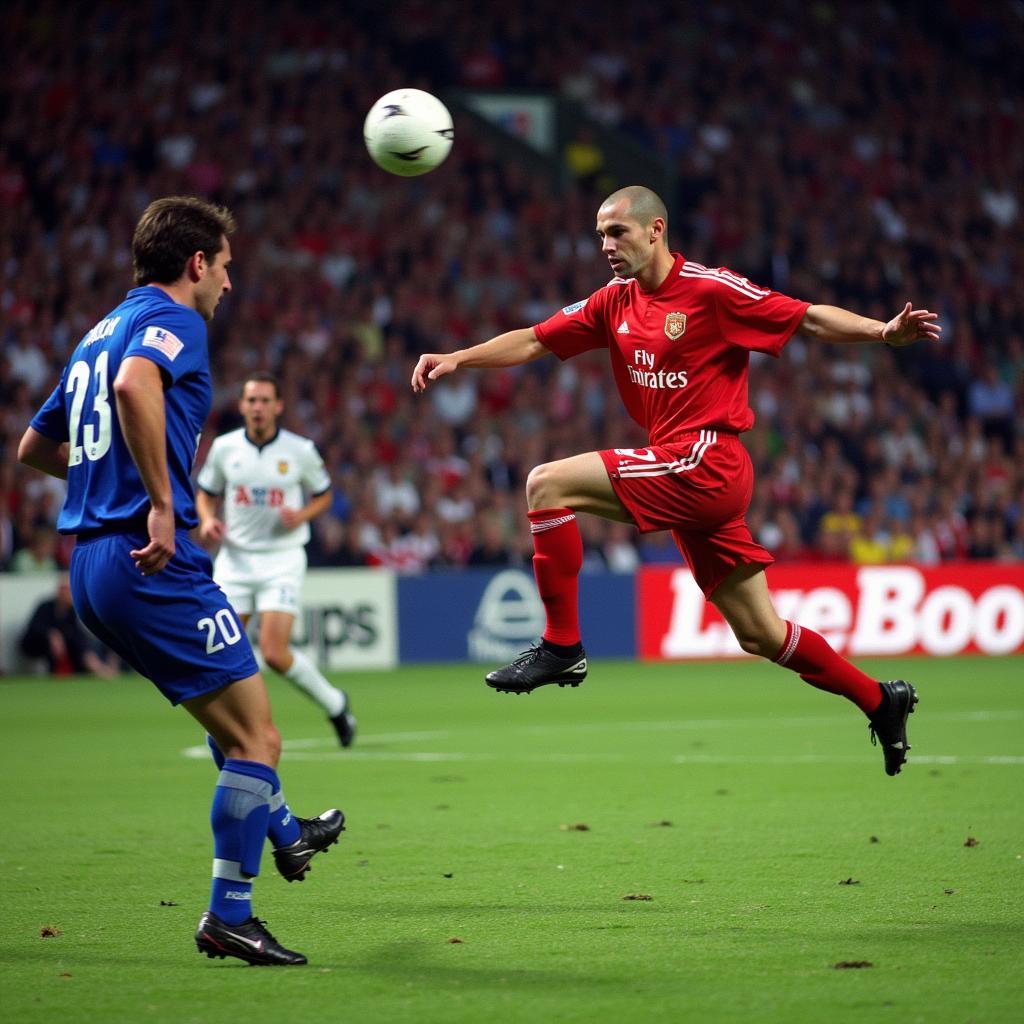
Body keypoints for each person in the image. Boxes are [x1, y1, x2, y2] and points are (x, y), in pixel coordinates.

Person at [412, 185, 942, 778]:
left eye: (619, 233)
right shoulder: (614, 301)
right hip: (682, 469)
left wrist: (881, 332)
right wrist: (459, 356)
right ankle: (880, 700)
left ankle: (563, 647)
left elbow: (807, 318)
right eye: (600, 235)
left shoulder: (714, 291)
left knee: (546, 485)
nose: (607, 246)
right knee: (762, 635)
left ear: (656, 230)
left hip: (708, 460)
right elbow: (535, 339)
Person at [18, 196, 344, 966]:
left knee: (233, 728)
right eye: (226, 267)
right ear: (197, 263)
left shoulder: (96, 331)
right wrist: (163, 503)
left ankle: (289, 837)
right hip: (147, 555)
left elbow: (35, 446)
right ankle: (229, 913)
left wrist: (104, 476)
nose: (229, 284)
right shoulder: (177, 323)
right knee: (259, 736)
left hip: (93, 565)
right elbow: (137, 386)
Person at [196, 373, 357, 747]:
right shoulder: (225, 448)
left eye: (265, 401)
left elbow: (324, 495)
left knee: (273, 652)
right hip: (235, 560)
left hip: (281, 559)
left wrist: (301, 516)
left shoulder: (299, 450)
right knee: (223, 651)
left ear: (279, 406)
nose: (258, 408)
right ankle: (224, 727)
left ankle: (334, 704)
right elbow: (206, 493)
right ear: (241, 406)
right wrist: (207, 519)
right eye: (251, 401)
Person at [19, 574, 119, 678]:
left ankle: (93, 666)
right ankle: (56, 672)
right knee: (58, 643)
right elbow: (35, 627)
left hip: (64, 645)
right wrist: (52, 634)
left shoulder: (70, 612)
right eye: (67, 591)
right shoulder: (45, 607)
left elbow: (75, 632)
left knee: (80, 642)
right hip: (36, 643)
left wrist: (86, 651)